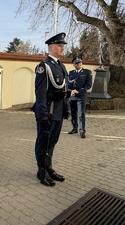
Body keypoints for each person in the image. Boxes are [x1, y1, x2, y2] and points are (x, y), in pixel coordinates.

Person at [33, 32, 70, 187]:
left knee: (52, 141)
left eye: (63, 45)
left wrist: (66, 109)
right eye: (59, 45)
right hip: (48, 110)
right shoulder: (44, 66)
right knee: (43, 141)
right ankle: (41, 171)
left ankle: (48, 166)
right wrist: (42, 114)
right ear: (51, 47)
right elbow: (40, 92)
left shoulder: (61, 66)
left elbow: (65, 90)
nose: (62, 48)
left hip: (58, 110)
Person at [67, 56, 92, 138]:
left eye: (80, 62)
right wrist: (71, 91)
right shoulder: (71, 73)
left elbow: (88, 85)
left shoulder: (87, 72)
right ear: (73, 64)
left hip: (81, 96)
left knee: (81, 114)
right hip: (72, 96)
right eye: (77, 63)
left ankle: (82, 131)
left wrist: (78, 91)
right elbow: (68, 84)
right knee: (73, 113)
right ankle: (74, 128)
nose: (79, 64)